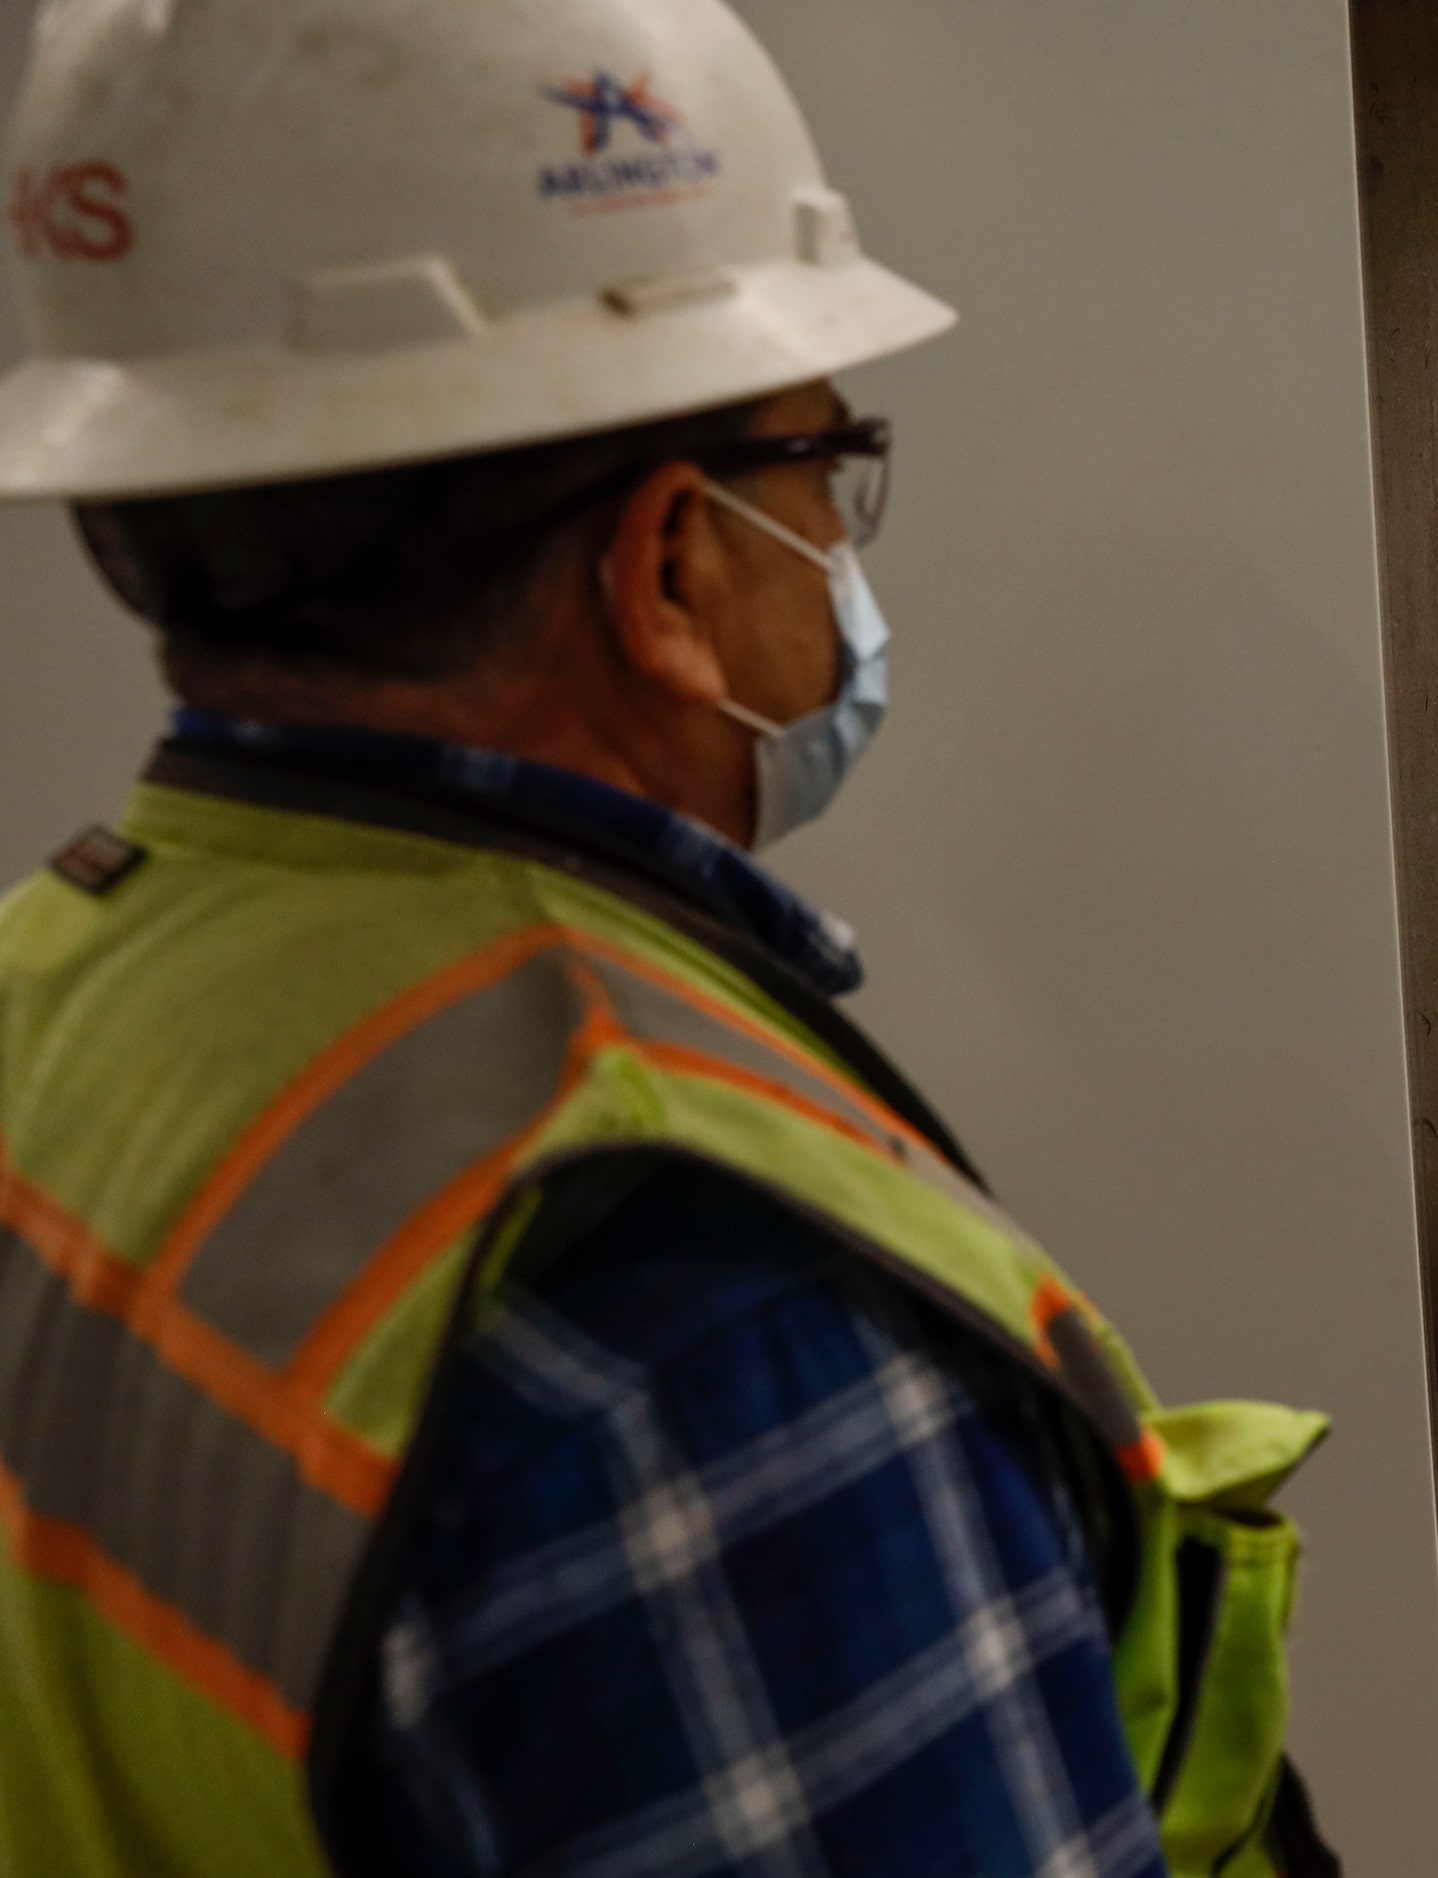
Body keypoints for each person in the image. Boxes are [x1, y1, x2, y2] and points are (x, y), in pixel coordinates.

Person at [0, 4, 1335, 1875]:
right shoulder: (691, 1307)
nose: (841, 541)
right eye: (823, 465)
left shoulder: (54, 988)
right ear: (671, 571)